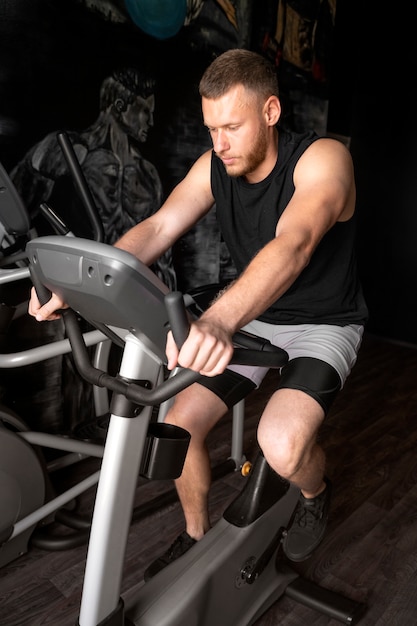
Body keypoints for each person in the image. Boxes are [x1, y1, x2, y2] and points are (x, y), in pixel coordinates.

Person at [28, 48, 368, 578]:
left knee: (281, 446)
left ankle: (315, 492)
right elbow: (161, 227)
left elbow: (295, 243)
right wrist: (80, 280)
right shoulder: (215, 165)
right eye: (211, 129)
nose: (219, 144)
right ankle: (194, 535)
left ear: (271, 112)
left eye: (231, 126)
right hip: (257, 315)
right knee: (177, 426)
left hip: (323, 322)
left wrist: (217, 320)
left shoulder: (323, 159)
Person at [11, 67, 176, 290]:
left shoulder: (147, 174)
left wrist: (171, 310)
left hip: (129, 289)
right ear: (120, 106)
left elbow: (164, 259)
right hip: (75, 284)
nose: (151, 121)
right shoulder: (71, 150)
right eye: (146, 111)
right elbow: (17, 206)